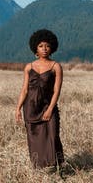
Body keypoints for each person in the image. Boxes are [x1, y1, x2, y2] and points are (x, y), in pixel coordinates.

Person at [15, 29, 64, 169]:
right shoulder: (29, 67)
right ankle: (39, 167)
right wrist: (18, 108)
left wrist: (50, 109)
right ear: (35, 47)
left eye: (47, 46)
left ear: (52, 48)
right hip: (31, 108)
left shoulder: (56, 67)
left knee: (53, 136)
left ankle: (56, 166)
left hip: (48, 106)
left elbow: (56, 91)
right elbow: (24, 89)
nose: (44, 49)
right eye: (41, 46)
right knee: (34, 138)